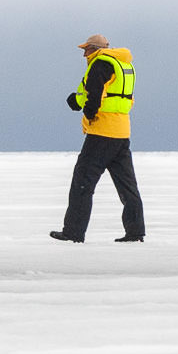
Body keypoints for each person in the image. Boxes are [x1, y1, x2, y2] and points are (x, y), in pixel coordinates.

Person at [50, 34, 145, 243]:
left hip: (101, 132)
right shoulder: (124, 65)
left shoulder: (100, 63)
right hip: (122, 133)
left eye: (86, 49)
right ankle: (136, 232)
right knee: (128, 186)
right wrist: (76, 100)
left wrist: (89, 114)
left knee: (82, 182)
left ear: (95, 49)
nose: (84, 54)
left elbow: (95, 93)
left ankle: (73, 232)